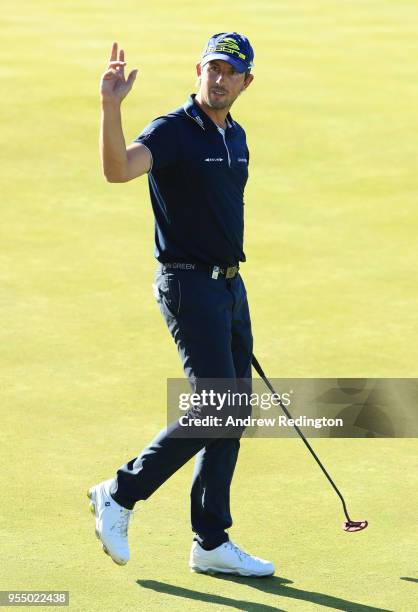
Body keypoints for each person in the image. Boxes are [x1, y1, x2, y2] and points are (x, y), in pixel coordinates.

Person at [88, 32, 274, 577]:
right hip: (186, 284)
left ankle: (210, 541)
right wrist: (109, 107)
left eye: (230, 71)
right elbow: (118, 168)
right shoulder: (173, 130)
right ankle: (118, 494)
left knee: (233, 411)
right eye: (212, 68)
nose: (218, 78)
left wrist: (231, 290)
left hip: (228, 287)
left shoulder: (236, 136)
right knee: (216, 403)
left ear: (246, 81)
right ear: (198, 70)